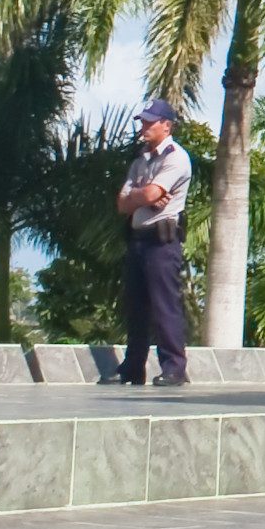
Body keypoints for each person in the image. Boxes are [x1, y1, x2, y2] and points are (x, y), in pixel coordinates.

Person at [117, 100, 193, 388]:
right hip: (138, 239)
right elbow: (123, 203)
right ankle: (132, 367)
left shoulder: (176, 158)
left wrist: (141, 195)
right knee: (135, 308)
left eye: (150, 122)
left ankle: (174, 367)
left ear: (166, 125)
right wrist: (142, 195)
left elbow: (148, 195)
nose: (144, 127)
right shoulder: (141, 161)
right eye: (143, 121)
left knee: (165, 306)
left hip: (162, 242)